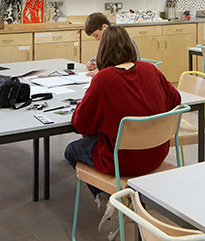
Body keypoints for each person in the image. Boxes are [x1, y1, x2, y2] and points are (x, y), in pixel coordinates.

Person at [65, 25, 181, 239]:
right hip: (157, 154)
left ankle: (111, 198)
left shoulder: (103, 79)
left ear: (103, 51)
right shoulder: (151, 70)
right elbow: (175, 100)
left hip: (121, 161)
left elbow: (81, 125)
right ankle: (120, 200)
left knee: (71, 151)